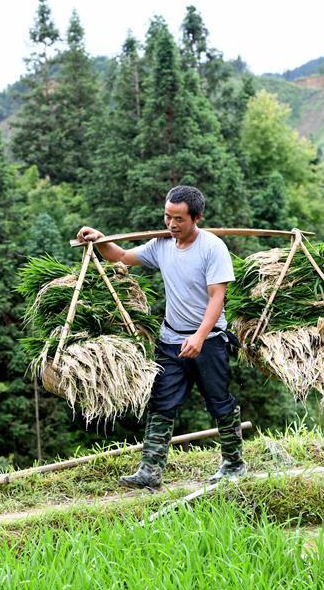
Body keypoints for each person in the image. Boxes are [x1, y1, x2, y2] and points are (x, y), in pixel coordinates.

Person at [76, 185, 246, 489]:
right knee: (162, 403)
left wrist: (199, 336)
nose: (171, 224)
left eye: (179, 219)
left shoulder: (212, 248)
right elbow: (122, 256)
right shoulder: (161, 245)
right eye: (167, 216)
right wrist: (99, 239)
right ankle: (150, 471)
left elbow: (217, 298)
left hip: (208, 341)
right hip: (171, 341)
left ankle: (234, 463)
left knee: (219, 402)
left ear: (197, 217)